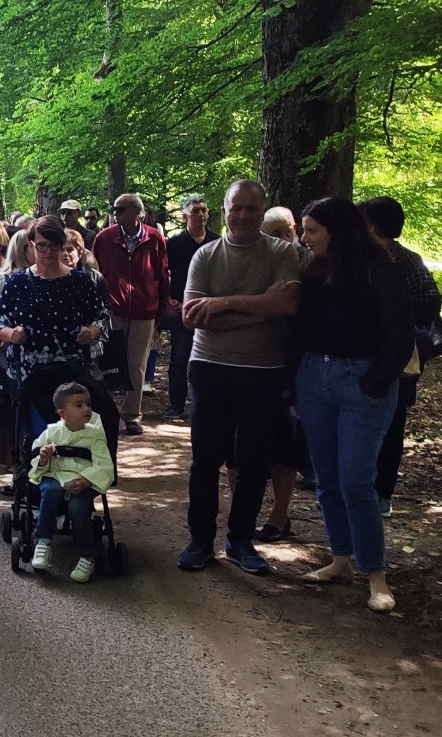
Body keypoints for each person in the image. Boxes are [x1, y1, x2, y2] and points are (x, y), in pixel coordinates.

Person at [177, 179, 300, 576]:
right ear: (224, 210)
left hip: (263, 372)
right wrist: (264, 307)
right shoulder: (206, 256)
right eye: (237, 208)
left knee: (253, 461)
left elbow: (290, 302)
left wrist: (224, 304)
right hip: (210, 367)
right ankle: (200, 541)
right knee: (206, 459)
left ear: (262, 210)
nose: (244, 215)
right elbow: (192, 316)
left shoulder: (282, 253)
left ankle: (240, 540)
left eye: (252, 208)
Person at [294, 198, 411, 612]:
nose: (303, 238)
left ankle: (375, 574)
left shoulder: (381, 269)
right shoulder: (314, 269)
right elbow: (300, 327)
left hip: (361, 385)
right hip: (314, 380)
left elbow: (400, 334)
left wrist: (375, 382)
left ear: (337, 231)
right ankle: (340, 558)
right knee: (326, 480)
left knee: (356, 480)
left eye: (311, 230)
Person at [359, 196, 442, 517]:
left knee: (390, 425)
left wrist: (390, 313)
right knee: (388, 425)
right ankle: (376, 492)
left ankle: (379, 494)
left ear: (373, 225)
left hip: (397, 357)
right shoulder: (406, 259)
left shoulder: (398, 260)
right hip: (390, 355)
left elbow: (427, 303)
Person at [91, 193, 171, 436]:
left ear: (136, 213)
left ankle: (132, 416)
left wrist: (160, 310)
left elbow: (162, 273)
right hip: (111, 310)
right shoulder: (104, 237)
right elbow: (94, 271)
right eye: (114, 209)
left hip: (143, 310)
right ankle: (104, 412)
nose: (115, 213)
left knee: (137, 364)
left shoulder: (154, 237)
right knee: (108, 362)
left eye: (121, 209)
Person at [0, 216, 109, 384]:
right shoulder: (16, 283)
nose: (48, 251)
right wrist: (11, 334)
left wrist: (92, 331)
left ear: (62, 245)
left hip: (72, 375)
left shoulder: (81, 282)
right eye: (42, 245)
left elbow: (102, 317)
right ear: (31, 245)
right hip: (28, 376)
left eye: (54, 245)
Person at [28, 382, 115, 583]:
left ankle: (87, 555)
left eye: (88, 404)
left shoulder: (94, 436)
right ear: (63, 413)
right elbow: (34, 464)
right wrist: (43, 458)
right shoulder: (51, 433)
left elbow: (104, 466)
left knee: (78, 506)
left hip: (83, 479)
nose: (86, 409)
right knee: (50, 491)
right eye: (79, 405)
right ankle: (43, 541)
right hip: (55, 475)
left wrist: (85, 481)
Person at [164, 195, 218, 417]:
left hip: (210, 310)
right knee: (179, 358)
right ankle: (176, 405)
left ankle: (207, 404)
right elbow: (162, 275)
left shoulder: (217, 243)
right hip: (181, 311)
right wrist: (169, 299)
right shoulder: (173, 244)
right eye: (196, 211)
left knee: (210, 360)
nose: (201, 215)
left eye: (204, 210)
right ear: (185, 215)